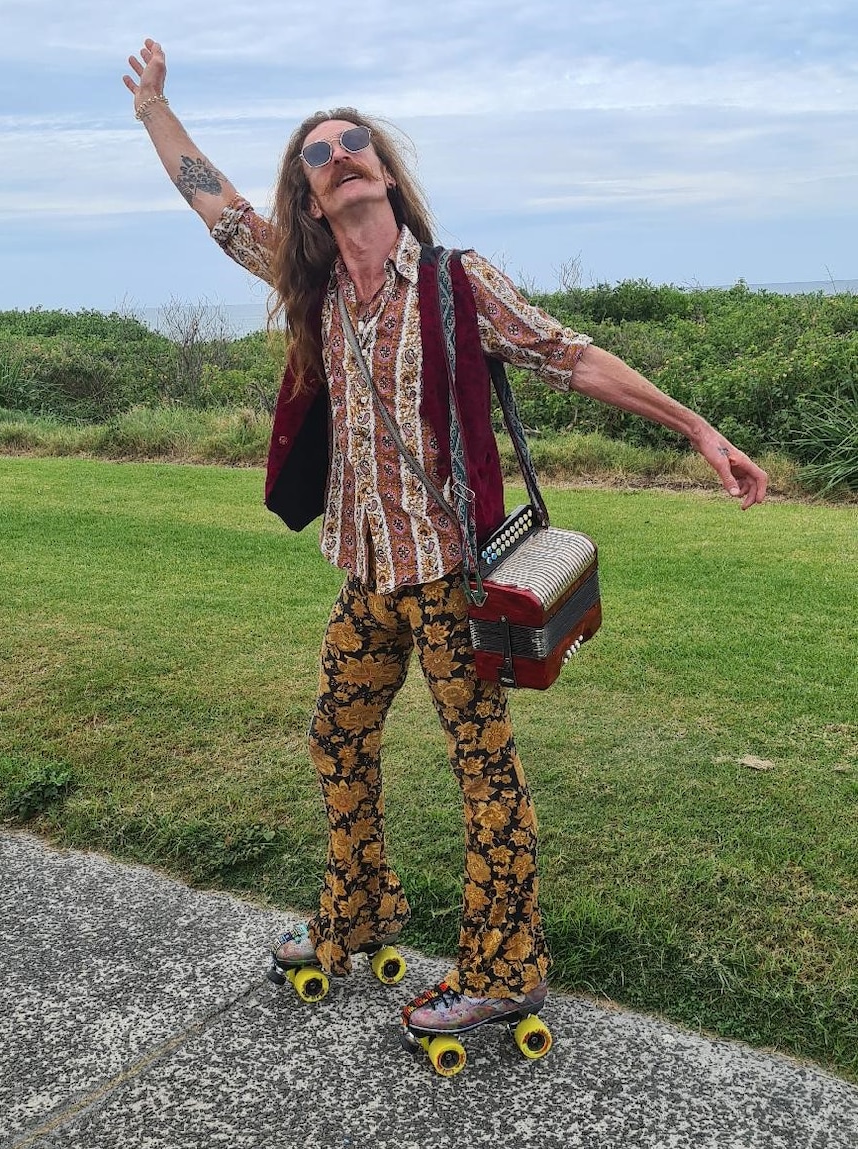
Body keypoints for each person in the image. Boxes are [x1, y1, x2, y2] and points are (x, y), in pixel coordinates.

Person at [123, 40, 767, 1051]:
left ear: (381, 167)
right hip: (367, 575)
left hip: (454, 583)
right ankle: (361, 908)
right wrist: (154, 110)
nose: (338, 153)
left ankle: (506, 970)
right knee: (337, 736)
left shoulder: (457, 283)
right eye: (317, 151)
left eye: (353, 141)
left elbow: (571, 355)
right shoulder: (312, 283)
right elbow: (210, 203)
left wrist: (696, 429)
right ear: (308, 192)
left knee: (483, 772)